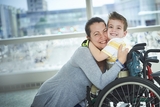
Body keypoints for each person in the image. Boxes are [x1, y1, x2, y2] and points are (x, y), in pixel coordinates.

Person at [31, 17, 129, 107]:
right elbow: (101, 83)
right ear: (88, 38)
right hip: (54, 95)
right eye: (96, 34)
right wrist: (119, 62)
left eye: (104, 31)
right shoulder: (83, 52)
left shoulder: (105, 54)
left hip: (76, 101)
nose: (103, 37)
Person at [88, 11, 130, 101]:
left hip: (116, 78)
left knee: (94, 87)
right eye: (111, 27)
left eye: (118, 28)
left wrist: (90, 43)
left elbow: (99, 57)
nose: (114, 30)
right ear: (107, 29)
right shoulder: (119, 42)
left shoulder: (115, 43)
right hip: (118, 76)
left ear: (124, 33)